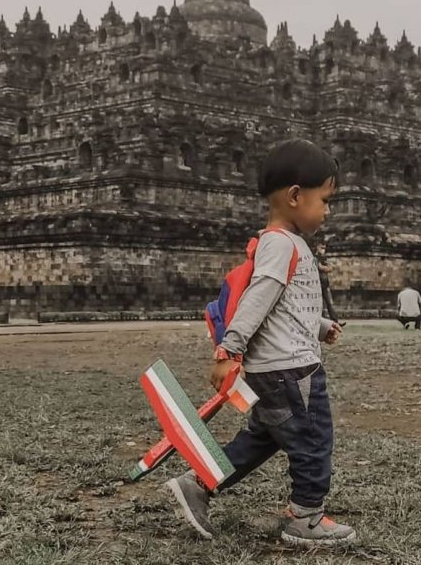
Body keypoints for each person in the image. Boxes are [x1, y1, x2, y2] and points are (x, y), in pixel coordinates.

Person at [164, 139, 356, 547]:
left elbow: (283, 303)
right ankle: (306, 516)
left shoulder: (283, 244)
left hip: (276, 371)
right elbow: (258, 298)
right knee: (313, 441)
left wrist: (321, 326)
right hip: (292, 372)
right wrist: (228, 350)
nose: (327, 210)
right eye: (324, 200)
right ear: (294, 197)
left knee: (261, 440)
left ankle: (198, 483)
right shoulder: (282, 244)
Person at [315, 241, 339, 322]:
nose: (323, 250)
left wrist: (328, 268)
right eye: (322, 248)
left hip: (325, 284)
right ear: (317, 247)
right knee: (320, 306)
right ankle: (322, 323)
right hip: (318, 285)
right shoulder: (315, 258)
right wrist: (327, 268)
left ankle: (335, 321)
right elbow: (321, 267)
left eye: (324, 248)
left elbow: (330, 268)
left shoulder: (324, 258)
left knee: (330, 304)